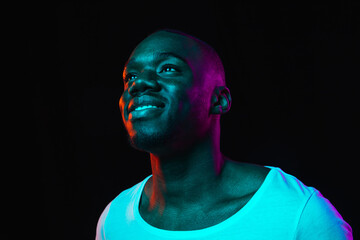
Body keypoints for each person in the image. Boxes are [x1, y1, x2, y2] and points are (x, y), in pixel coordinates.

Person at [96, 29, 352, 239]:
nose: (139, 83)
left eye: (168, 69)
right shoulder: (114, 221)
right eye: (130, 76)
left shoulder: (299, 215)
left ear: (219, 100)